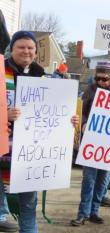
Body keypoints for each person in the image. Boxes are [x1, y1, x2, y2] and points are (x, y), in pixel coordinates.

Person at [3, 30, 79, 233]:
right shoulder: (0, 72)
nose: (26, 51)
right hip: (2, 150)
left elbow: (53, 112)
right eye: (21, 47)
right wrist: (4, 115)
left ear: (36, 52)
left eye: (30, 48)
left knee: (28, 207)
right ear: (12, 49)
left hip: (30, 156)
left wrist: (68, 119)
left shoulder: (42, 77)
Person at [71, 61, 110, 226]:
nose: (101, 82)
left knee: (102, 181)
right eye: (98, 79)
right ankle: (82, 213)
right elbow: (80, 111)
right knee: (88, 181)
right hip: (92, 143)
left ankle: (94, 212)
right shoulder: (89, 92)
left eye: (105, 79)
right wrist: (83, 122)